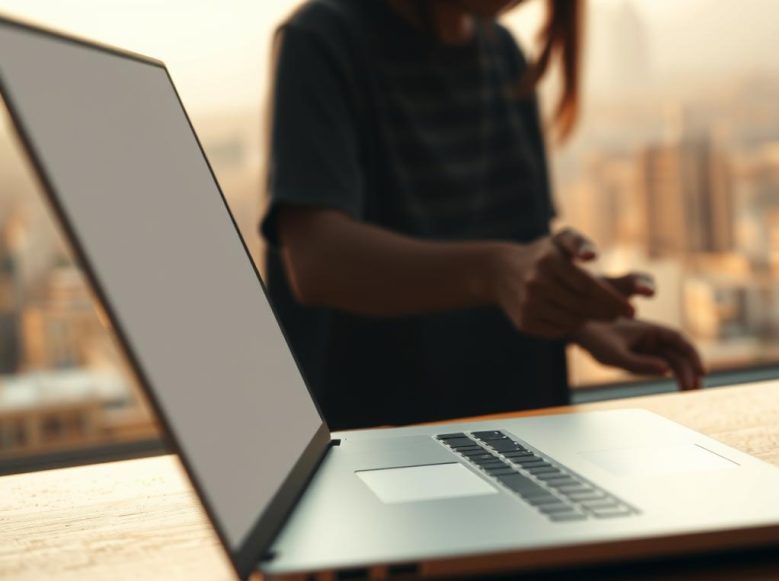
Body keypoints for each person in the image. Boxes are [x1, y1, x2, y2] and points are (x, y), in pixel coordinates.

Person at [260, 0, 705, 430]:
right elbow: (318, 261)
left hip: (528, 435)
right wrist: (494, 272)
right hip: (385, 454)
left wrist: (582, 320)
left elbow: (521, 252)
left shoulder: (504, 53)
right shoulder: (322, 40)